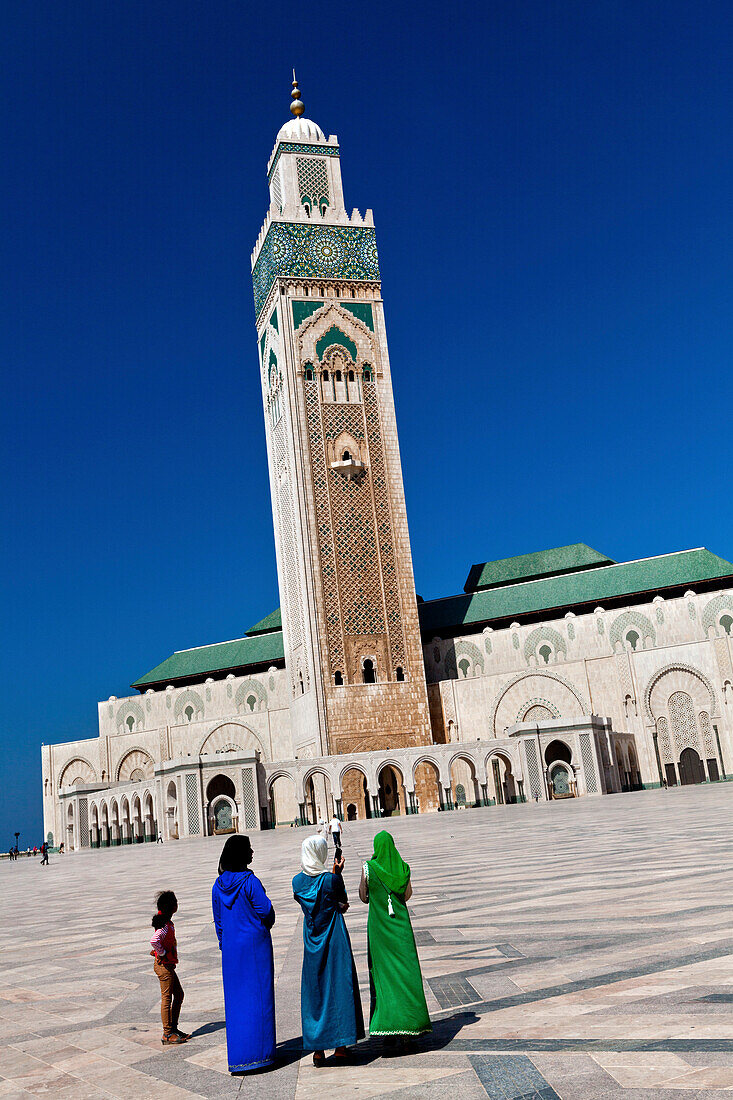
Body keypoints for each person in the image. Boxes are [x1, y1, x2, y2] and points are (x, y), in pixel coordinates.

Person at [292, 835, 364, 1067]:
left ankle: (317, 1050)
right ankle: (341, 1047)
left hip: (311, 941)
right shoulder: (331, 880)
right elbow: (342, 902)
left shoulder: (296, 882)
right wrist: (337, 873)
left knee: (315, 990)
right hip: (334, 939)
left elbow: (309, 901)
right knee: (339, 987)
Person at [359, 831, 431, 1048]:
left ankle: (389, 1032)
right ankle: (409, 1030)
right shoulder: (403, 868)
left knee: (384, 979)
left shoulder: (368, 868)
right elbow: (407, 894)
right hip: (401, 931)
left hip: (380, 933)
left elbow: (363, 897)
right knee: (405, 977)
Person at [212, 835, 276, 1074]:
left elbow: (219, 924)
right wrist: (262, 927)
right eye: (249, 849)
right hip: (255, 949)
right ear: (240, 854)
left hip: (231, 952)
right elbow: (266, 911)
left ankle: (240, 1058)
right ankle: (261, 1055)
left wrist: (226, 944)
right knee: (259, 999)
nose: (252, 852)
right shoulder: (250, 881)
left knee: (237, 1002)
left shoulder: (218, 886)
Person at [150, 890, 189, 1045]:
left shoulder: (166, 922)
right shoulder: (165, 926)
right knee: (167, 998)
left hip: (167, 966)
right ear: (172, 907)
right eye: (176, 902)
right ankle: (167, 1034)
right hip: (163, 967)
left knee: (178, 995)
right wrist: (162, 952)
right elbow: (154, 940)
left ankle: (173, 1028)